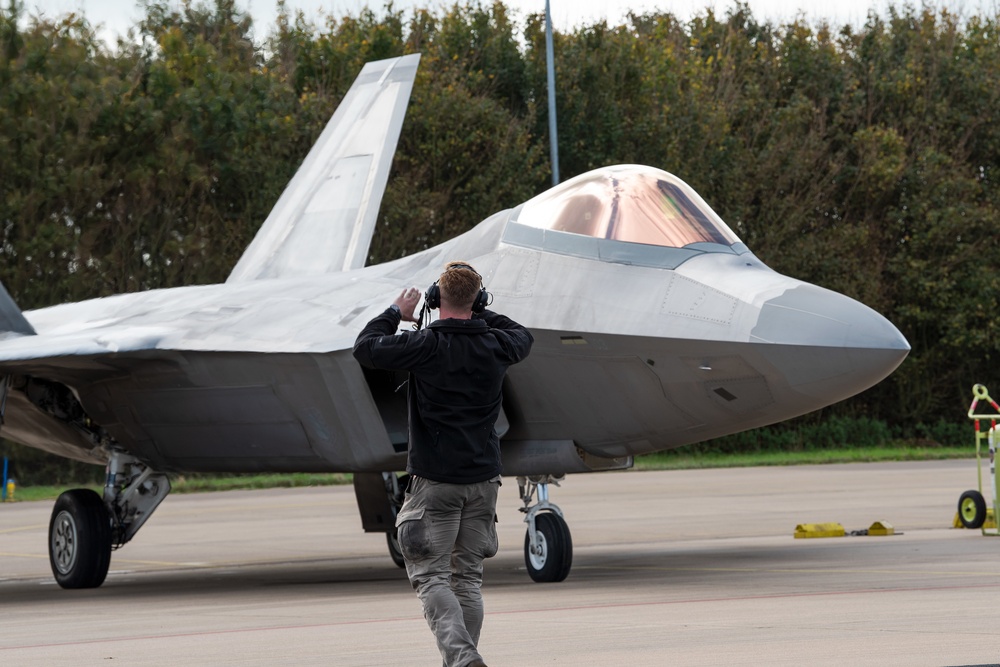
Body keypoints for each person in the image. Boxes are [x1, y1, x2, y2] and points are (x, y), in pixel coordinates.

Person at [353, 261, 533, 667]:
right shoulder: (497, 343)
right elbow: (524, 335)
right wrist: (480, 311)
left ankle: (462, 657)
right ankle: (463, 661)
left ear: (436, 300)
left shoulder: (426, 345)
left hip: (435, 483)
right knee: (467, 580)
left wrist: (395, 313)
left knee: (431, 577)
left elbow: (365, 347)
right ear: (479, 300)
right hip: (484, 482)